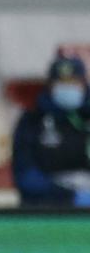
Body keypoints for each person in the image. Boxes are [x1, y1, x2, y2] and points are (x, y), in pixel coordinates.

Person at [12, 54, 90, 207]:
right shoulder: (32, 120)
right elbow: (25, 174)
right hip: (48, 209)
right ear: (51, 86)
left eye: (74, 82)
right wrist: (67, 196)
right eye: (62, 83)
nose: (69, 88)